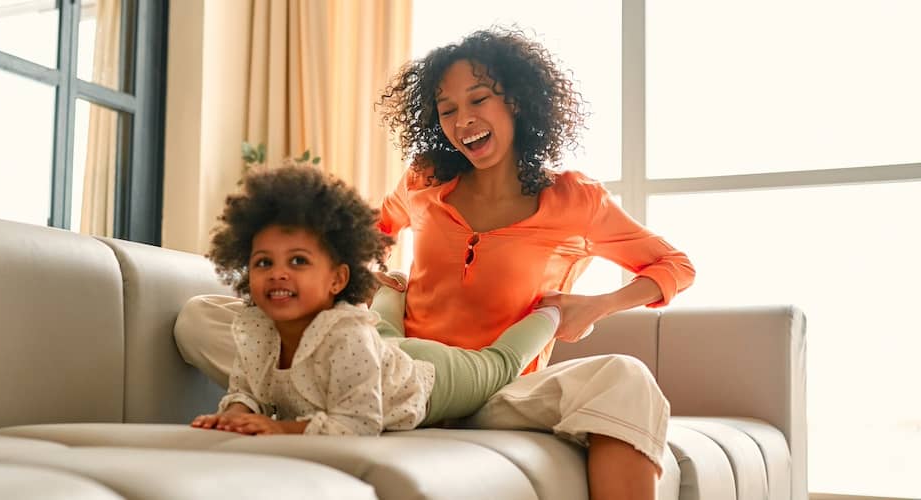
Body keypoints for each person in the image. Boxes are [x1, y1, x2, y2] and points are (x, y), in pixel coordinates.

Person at [177, 27, 694, 500]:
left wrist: (597, 305)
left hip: (500, 390)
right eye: (446, 109)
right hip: (391, 369)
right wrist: (364, 273)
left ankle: (339, 405)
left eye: (478, 99)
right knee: (201, 315)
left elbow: (674, 266)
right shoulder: (424, 180)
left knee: (624, 377)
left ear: (516, 101)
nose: (462, 120)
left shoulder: (575, 200)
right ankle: (352, 402)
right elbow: (371, 233)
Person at [189, 163, 561, 436]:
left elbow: (359, 423)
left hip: (428, 378)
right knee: (382, 333)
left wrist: (279, 428)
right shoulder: (255, 328)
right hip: (382, 352)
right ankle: (394, 289)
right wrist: (234, 415)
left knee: (498, 364)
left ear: (338, 278)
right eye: (263, 262)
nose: (278, 273)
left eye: (298, 261)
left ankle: (554, 312)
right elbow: (247, 390)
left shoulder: (348, 335)